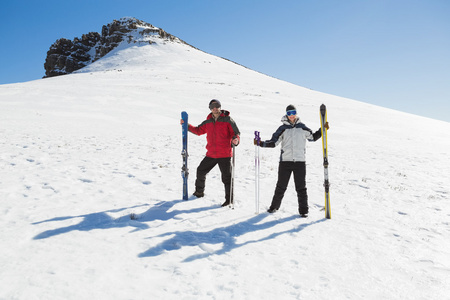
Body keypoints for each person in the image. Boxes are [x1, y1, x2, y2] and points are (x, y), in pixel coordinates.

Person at [256, 104, 329, 217]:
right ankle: (274, 207)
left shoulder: (302, 127)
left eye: (293, 112)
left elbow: (313, 138)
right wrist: (261, 143)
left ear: (296, 113)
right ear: (286, 114)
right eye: (289, 113)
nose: (291, 115)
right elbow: (274, 142)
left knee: (301, 188)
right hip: (285, 162)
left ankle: (304, 211)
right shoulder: (282, 129)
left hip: (300, 162)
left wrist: (322, 129)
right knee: (281, 186)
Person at [180, 99, 240, 207]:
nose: (214, 108)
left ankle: (229, 200)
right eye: (212, 107)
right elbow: (198, 130)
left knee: (226, 178)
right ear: (210, 109)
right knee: (200, 171)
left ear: (220, 107)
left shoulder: (227, 120)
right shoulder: (208, 121)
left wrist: (236, 139)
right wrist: (186, 126)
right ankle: (199, 192)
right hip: (211, 154)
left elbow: (235, 133)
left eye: (216, 106)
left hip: (224, 154)